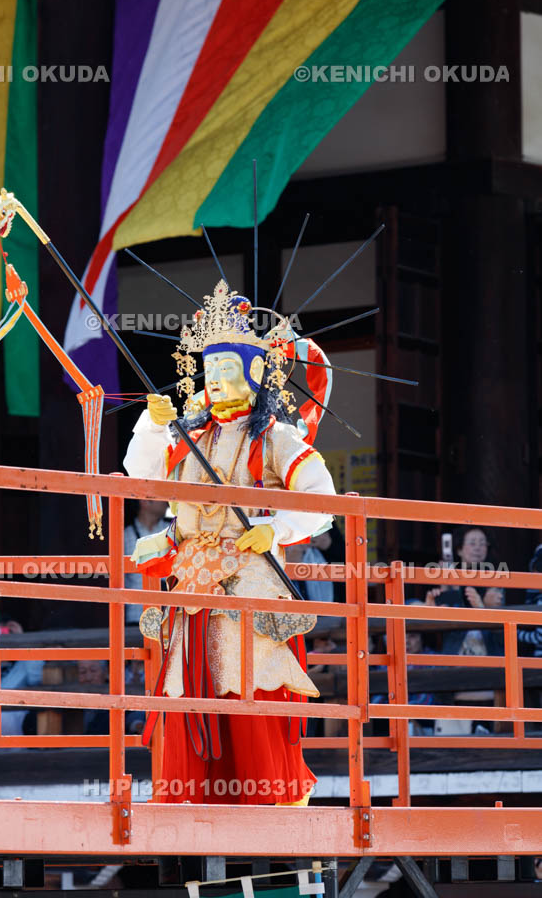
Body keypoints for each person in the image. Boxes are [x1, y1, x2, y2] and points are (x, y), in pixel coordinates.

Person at [123, 279, 336, 806]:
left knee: (245, 678)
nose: (215, 382)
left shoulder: (276, 437)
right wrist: (152, 427)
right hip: (192, 578)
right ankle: (193, 796)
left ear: (255, 373)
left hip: (249, 574)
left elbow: (324, 500)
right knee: (186, 686)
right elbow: (139, 474)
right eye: (209, 372)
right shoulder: (186, 433)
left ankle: (263, 797)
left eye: (227, 371)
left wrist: (278, 528)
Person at [424, 527, 504, 657]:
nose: (478, 548)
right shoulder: (448, 577)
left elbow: (502, 634)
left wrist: (485, 608)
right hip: (455, 654)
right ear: (459, 549)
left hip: (490, 655)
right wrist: (445, 587)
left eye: (482, 543)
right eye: (472, 543)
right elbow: (441, 626)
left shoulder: (495, 579)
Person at [123, 500, 169, 626]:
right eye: (161, 497)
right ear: (145, 502)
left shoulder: (173, 531)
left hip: (169, 614)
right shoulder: (125, 535)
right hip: (136, 612)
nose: (166, 502)